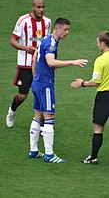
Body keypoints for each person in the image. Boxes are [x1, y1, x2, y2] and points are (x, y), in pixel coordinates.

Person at [29, 18, 88, 163]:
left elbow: (35, 58)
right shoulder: (51, 43)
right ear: (57, 28)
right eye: (65, 29)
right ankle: (49, 154)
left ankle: (34, 150)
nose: (67, 32)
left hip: (37, 83)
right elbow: (50, 61)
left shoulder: (44, 39)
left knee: (37, 115)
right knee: (49, 117)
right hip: (45, 85)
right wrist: (72, 62)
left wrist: (35, 77)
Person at [71, 31, 109, 167]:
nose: (97, 45)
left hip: (104, 97)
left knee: (98, 127)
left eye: (98, 43)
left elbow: (96, 81)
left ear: (103, 44)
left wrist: (82, 83)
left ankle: (94, 157)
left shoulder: (101, 60)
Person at [6, 0, 51, 128]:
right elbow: (12, 41)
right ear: (32, 7)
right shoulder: (23, 21)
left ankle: (42, 124)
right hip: (25, 65)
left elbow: (46, 43)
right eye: (38, 7)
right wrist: (25, 48)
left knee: (41, 93)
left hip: (41, 65)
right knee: (22, 95)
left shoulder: (47, 22)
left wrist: (50, 62)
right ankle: (12, 111)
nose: (41, 10)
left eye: (43, 7)